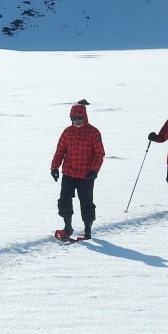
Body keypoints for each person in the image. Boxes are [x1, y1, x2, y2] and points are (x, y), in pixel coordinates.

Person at [51, 101, 105, 240]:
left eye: (80, 118)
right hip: (69, 173)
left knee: (86, 203)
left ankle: (87, 232)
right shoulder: (67, 132)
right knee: (64, 201)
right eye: (74, 118)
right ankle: (68, 228)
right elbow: (60, 151)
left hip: (86, 175)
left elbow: (99, 153)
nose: (77, 121)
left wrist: (94, 170)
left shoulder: (93, 132)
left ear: (85, 117)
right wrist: (55, 167)